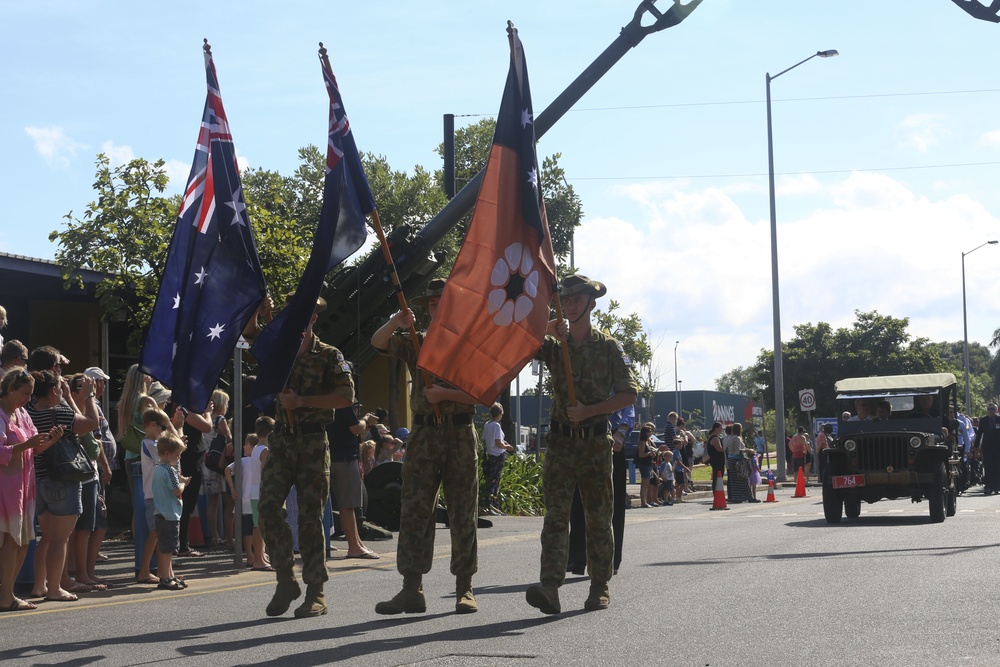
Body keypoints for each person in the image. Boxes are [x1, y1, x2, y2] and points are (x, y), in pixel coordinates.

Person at [525, 274, 638, 615]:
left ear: (591, 303)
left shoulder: (608, 347)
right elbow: (514, 346)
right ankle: (550, 587)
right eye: (567, 300)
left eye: (577, 299)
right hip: (560, 443)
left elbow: (628, 393)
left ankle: (599, 584)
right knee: (556, 518)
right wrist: (544, 328)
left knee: (597, 518)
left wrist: (591, 410)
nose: (571, 304)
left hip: (593, 444)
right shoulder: (555, 345)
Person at [371, 279, 481, 615]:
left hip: (459, 433)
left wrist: (446, 395)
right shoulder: (416, 342)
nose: (436, 307)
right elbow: (378, 342)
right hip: (423, 435)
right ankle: (411, 588)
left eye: (442, 302)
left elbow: (482, 393)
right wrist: (396, 321)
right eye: (431, 303)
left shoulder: (469, 342)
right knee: (415, 511)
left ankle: (465, 588)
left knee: (463, 512)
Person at [249, 294, 355, 619]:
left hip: (312, 442)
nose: (298, 318)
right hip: (282, 440)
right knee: (267, 509)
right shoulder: (278, 345)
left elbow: (345, 396)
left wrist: (303, 402)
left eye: (304, 314)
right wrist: (257, 308)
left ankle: (316, 592)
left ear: (313, 319)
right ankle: (286, 580)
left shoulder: (328, 355)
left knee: (310, 519)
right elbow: (249, 333)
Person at [26, 369, 98, 601]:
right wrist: (87, 397)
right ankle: (55, 587)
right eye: (59, 387)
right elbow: (90, 423)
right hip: (62, 479)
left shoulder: (28, 411)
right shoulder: (59, 411)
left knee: (45, 537)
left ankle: (40, 585)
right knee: (59, 539)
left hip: (37, 479)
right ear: (53, 390)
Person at [0, 369, 60, 611]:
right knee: (11, 541)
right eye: (25, 393)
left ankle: (7, 593)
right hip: (6, 487)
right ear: (11, 389)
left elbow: (35, 447)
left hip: (23, 488)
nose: (28, 399)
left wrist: (52, 439)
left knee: (23, 541)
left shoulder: (22, 413)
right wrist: (27, 444)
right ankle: (6, 596)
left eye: (31, 394)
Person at [68, 374, 113, 590]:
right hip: (81, 476)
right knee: (83, 527)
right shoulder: (74, 413)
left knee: (98, 525)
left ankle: (88, 572)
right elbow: (93, 445)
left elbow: (98, 445)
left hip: (91, 475)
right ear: (73, 393)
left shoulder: (87, 411)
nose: (90, 392)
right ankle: (80, 573)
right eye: (84, 389)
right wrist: (89, 398)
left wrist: (105, 467)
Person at [326, 405, 378, 559]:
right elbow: (355, 428)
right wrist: (366, 419)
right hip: (345, 459)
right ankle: (354, 546)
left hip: (328, 456)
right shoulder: (342, 401)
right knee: (348, 505)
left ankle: (357, 543)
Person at [137, 408, 171, 585]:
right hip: (153, 494)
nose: (164, 431)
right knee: (155, 532)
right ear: (153, 425)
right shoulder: (150, 444)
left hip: (157, 494)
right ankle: (144, 570)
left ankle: (164, 571)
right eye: (163, 427)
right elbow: (165, 461)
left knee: (160, 533)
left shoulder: (152, 444)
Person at [152, 434, 189, 591]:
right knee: (168, 549)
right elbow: (176, 489)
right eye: (177, 455)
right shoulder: (169, 470)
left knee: (165, 546)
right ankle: (166, 578)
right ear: (167, 454)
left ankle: (169, 574)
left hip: (160, 511)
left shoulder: (158, 469)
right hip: (170, 513)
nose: (178, 457)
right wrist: (184, 484)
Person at [226, 435, 258, 568]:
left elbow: (227, 470)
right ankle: (255, 555)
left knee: (248, 530)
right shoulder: (253, 461)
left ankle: (251, 555)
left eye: (246, 444)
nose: (244, 446)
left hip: (245, 500)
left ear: (252, 447)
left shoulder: (244, 461)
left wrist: (232, 487)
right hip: (254, 499)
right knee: (255, 529)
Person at [482, 402, 515, 516]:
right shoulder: (496, 425)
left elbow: (487, 439)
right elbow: (498, 442)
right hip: (498, 455)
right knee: (495, 481)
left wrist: (502, 442)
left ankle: (490, 504)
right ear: (500, 413)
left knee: (490, 480)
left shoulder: (487, 424)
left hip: (490, 455)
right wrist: (507, 447)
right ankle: (492, 505)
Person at [248, 416, 272, 568]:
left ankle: (260, 556)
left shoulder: (256, 448)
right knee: (259, 526)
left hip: (254, 490)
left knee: (259, 525)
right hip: (261, 491)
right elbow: (266, 473)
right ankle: (258, 559)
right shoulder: (265, 450)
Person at [974, 403, 1000, 495]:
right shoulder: (983, 420)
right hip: (987, 446)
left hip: (997, 447)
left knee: (997, 466)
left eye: (993, 409)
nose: (991, 410)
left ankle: (997, 486)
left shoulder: (998, 419)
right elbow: (980, 433)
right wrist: (976, 446)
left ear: (996, 410)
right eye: (989, 408)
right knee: (988, 466)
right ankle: (988, 486)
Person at [725, 423, 753, 504]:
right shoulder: (737, 438)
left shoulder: (730, 438)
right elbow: (738, 451)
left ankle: (736, 496)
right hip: (737, 460)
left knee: (734, 480)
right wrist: (749, 450)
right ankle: (748, 496)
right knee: (743, 478)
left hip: (730, 459)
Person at [635, 424, 657, 508]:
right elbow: (641, 454)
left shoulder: (648, 441)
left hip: (649, 463)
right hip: (644, 464)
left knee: (647, 482)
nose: (651, 432)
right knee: (644, 483)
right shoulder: (642, 442)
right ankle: (643, 502)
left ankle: (646, 501)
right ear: (645, 432)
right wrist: (649, 453)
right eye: (649, 431)